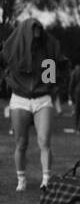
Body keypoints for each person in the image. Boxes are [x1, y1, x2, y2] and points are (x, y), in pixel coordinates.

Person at [2, 18, 63, 191]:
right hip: (19, 100)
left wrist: (48, 88)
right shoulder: (13, 49)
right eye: (33, 29)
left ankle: (46, 180)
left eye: (39, 29)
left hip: (42, 100)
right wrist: (9, 80)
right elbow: (4, 63)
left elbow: (49, 79)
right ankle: (21, 179)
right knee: (21, 143)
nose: (37, 32)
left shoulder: (47, 50)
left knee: (44, 141)